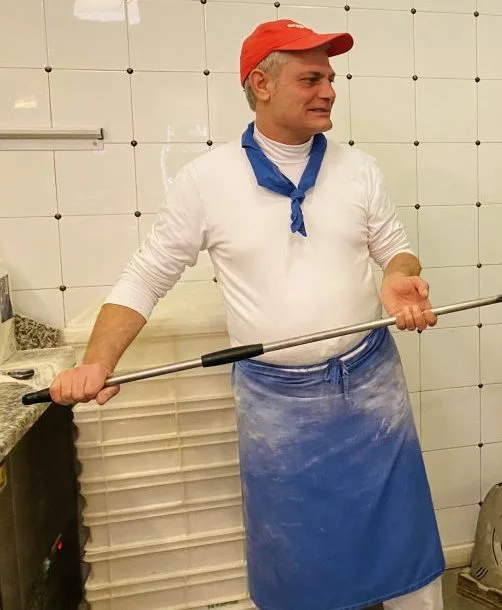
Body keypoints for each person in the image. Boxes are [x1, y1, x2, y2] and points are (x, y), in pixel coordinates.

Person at [45, 19, 446, 610]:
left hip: (370, 390)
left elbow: (395, 245)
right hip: (277, 409)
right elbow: (145, 277)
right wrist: (96, 362)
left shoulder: (359, 170)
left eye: (331, 77)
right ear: (260, 82)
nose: (329, 90)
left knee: (405, 557)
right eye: (311, 78)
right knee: (298, 569)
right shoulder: (206, 182)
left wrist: (396, 277)